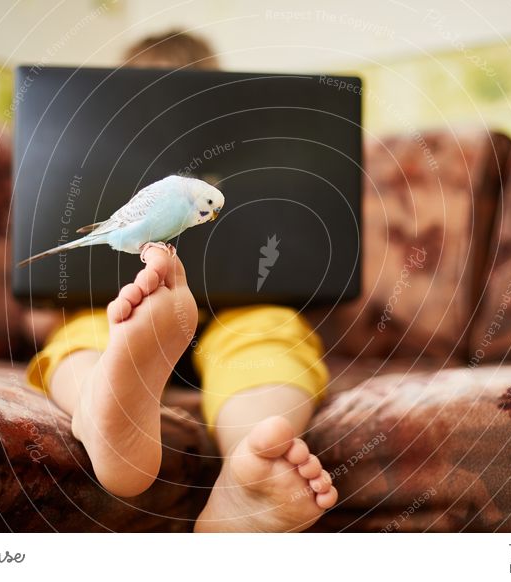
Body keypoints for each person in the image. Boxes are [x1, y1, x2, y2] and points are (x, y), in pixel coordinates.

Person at [26, 30, 337, 532]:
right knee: (87, 330)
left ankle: (250, 472)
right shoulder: (89, 155)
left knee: (268, 329)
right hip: (127, 306)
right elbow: (38, 302)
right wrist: (46, 293)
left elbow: (310, 252)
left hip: (236, 308)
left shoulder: (248, 159)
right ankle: (103, 411)